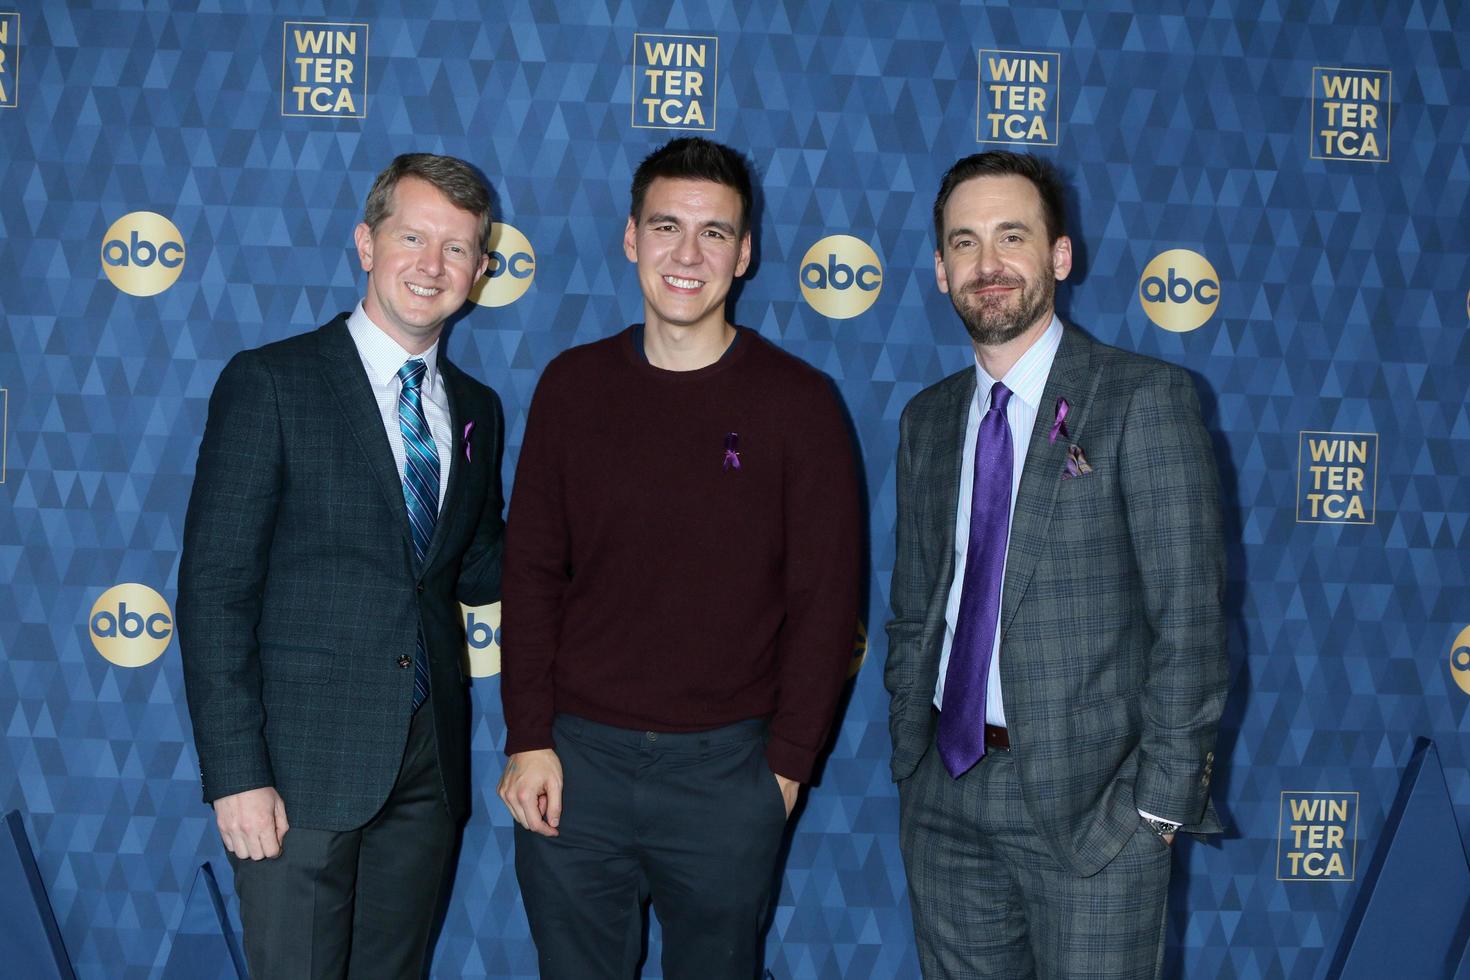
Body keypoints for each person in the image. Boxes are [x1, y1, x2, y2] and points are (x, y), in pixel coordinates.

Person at [497, 136, 861, 979]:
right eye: (666, 227)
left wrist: (785, 773)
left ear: (746, 253)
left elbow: (824, 599)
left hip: (729, 775)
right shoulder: (572, 387)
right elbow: (532, 572)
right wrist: (528, 738)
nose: (686, 254)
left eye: (713, 232)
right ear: (631, 239)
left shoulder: (799, 404)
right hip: (574, 767)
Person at [884, 150, 1228, 979]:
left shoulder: (1143, 400)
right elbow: (914, 606)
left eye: (1012, 236)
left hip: (1094, 812)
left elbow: (1191, 625)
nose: (988, 264)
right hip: (947, 791)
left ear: (1059, 256)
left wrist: (1156, 808)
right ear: (939, 270)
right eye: (964, 244)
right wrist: (911, 755)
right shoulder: (927, 420)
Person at [177, 153, 506, 978]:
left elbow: (474, 570)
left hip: (427, 769)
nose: (431, 266)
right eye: (412, 237)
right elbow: (215, 592)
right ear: (366, 243)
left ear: (480, 269)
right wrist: (236, 776)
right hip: (297, 776)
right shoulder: (272, 383)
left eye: (457, 248)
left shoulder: (476, 410)